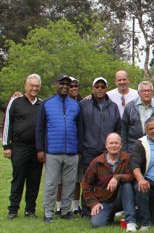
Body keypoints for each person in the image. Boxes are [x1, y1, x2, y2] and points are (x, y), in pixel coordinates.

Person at [36, 74, 81, 223]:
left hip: (71, 151)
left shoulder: (75, 105)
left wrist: (79, 150)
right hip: (52, 151)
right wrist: (40, 149)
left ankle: (65, 211)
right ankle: (48, 212)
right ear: (56, 84)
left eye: (68, 84)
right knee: (51, 183)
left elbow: (80, 128)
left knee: (69, 183)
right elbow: (40, 128)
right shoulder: (46, 104)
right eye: (62, 83)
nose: (65, 86)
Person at [77, 77, 121, 217]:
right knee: (87, 180)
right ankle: (86, 210)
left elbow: (117, 128)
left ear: (107, 88)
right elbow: (79, 127)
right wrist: (80, 147)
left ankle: (105, 208)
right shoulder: (84, 104)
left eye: (103, 86)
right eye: (97, 86)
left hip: (106, 151)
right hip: (88, 148)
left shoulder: (113, 106)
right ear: (93, 88)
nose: (100, 89)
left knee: (105, 180)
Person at [3, 74, 43, 219]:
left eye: (37, 86)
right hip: (19, 147)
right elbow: (7, 123)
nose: (34, 88)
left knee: (34, 180)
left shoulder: (42, 104)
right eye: (32, 85)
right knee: (18, 179)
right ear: (26, 86)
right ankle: (13, 209)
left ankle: (30, 209)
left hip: (37, 148)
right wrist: (6, 146)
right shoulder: (16, 101)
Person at [81, 133, 136, 230]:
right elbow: (86, 184)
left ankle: (130, 222)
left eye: (116, 143)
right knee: (97, 224)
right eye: (111, 143)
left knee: (127, 185)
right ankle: (109, 214)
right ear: (106, 145)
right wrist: (93, 203)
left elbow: (133, 176)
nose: (114, 145)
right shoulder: (97, 162)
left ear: (121, 145)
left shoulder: (127, 158)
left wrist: (117, 177)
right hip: (104, 201)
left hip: (121, 199)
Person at [121, 81, 154, 153]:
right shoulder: (130, 107)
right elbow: (123, 129)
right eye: (144, 91)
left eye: (149, 91)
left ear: (152, 92)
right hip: (133, 147)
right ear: (139, 93)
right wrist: (124, 150)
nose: (147, 93)